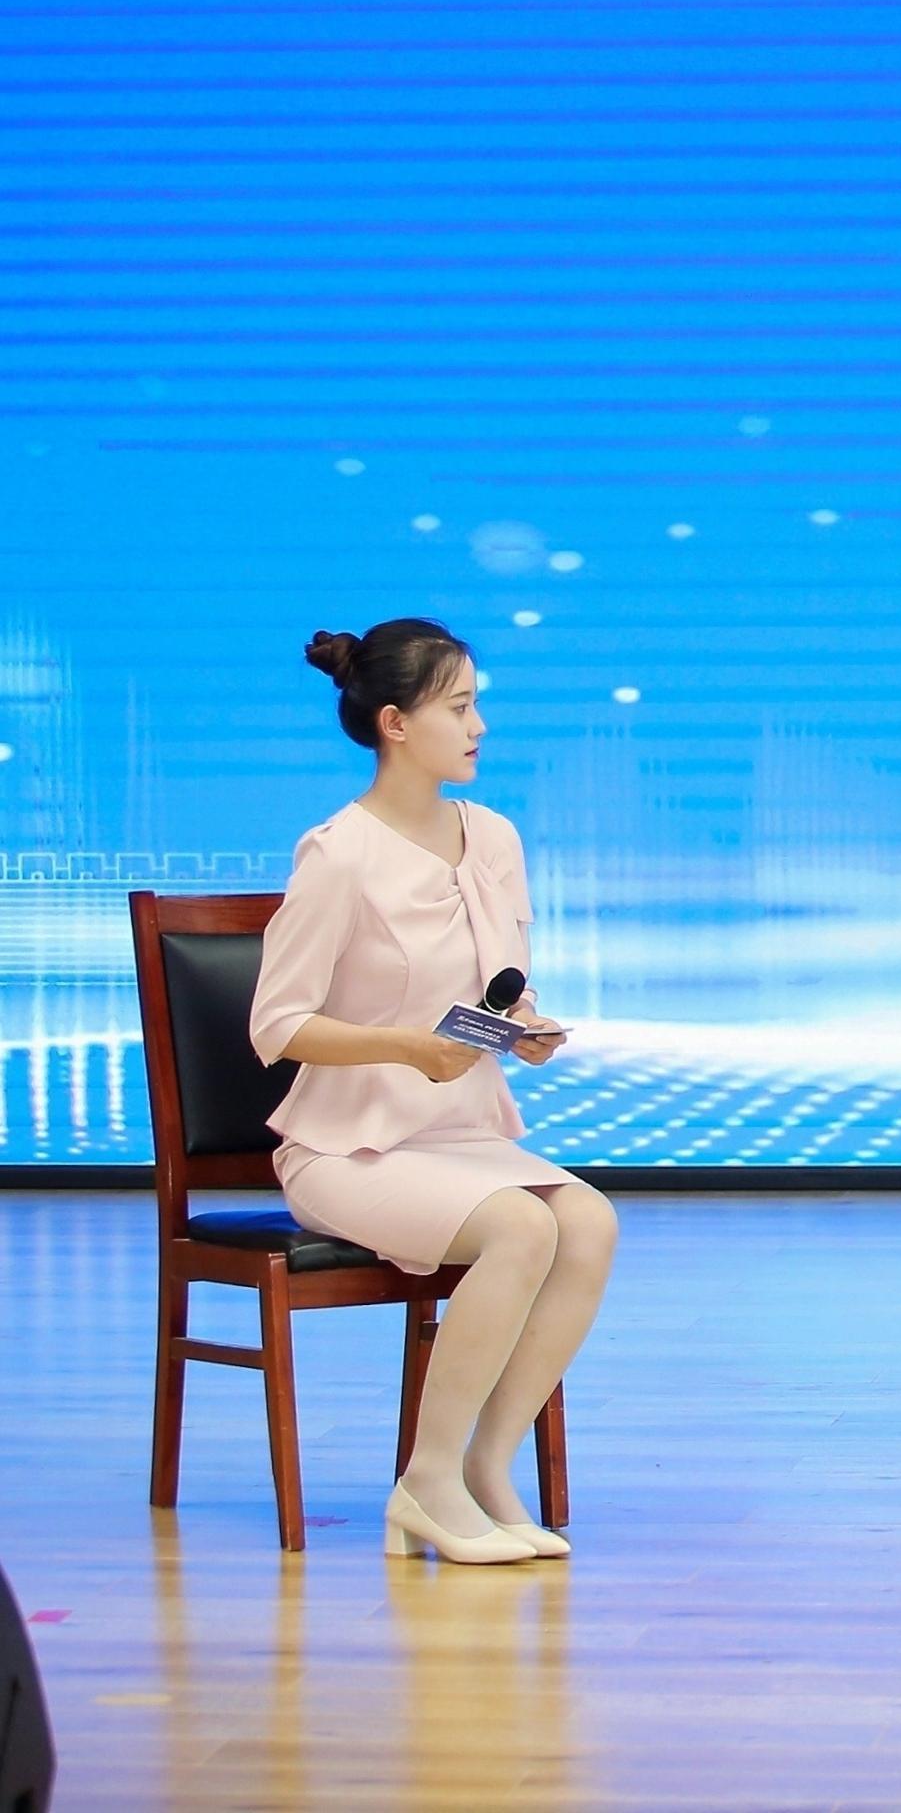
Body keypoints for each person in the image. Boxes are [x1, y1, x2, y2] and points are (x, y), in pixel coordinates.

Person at [252, 620, 616, 1566]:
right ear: (395, 723)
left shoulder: (492, 837)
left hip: (461, 1136)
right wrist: (406, 1049)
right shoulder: (339, 854)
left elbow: (497, 984)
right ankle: (427, 1480)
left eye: (476, 704)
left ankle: (488, 1468)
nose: (479, 725)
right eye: (459, 707)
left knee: (588, 1222)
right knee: (521, 1228)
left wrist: (522, 1028)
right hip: (347, 1149)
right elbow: (276, 1026)